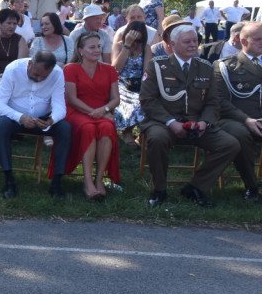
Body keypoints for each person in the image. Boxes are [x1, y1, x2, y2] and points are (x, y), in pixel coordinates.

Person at [139, 24, 240, 207]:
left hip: (196, 123)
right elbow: (148, 101)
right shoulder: (157, 66)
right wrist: (171, 123)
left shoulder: (205, 67)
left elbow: (212, 102)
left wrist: (204, 123)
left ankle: (196, 188)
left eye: (195, 41)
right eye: (187, 41)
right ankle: (159, 190)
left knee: (229, 144)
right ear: (173, 44)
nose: (193, 45)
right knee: (157, 139)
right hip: (163, 122)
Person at [0, 52, 71, 199]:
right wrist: (20, 117)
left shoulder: (57, 74)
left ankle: (57, 182)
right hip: (14, 116)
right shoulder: (13, 69)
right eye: (36, 74)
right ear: (29, 64)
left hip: (42, 120)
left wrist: (51, 120)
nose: (39, 79)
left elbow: (60, 106)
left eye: (44, 77)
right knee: (1, 125)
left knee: (65, 128)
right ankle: (9, 181)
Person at [62, 32, 121, 201]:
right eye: (92, 47)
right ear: (81, 50)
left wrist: (103, 110)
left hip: (101, 111)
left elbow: (116, 98)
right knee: (88, 127)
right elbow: (72, 99)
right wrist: (93, 112)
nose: (97, 50)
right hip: (78, 111)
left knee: (107, 127)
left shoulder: (109, 69)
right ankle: (87, 180)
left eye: (99, 46)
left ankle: (99, 178)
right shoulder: (71, 69)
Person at [214, 21, 262, 201]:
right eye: (258, 39)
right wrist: (247, 119)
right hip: (233, 120)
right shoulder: (225, 66)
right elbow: (221, 101)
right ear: (243, 41)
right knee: (241, 134)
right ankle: (252, 187)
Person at [112, 20, 152, 149]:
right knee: (125, 103)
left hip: (139, 83)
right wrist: (127, 45)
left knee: (144, 101)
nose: (136, 44)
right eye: (134, 40)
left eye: (139, 41)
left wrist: (144, 86)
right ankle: (127, 131)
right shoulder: (119, 46)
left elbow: (147, 71)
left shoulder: (146, 48)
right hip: (122, 83)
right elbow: (117, 67)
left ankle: (142, 133)